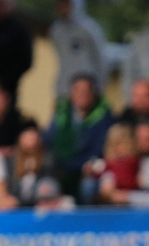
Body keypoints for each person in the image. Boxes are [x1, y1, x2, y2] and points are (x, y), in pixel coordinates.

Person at [44, 74, 114, 203]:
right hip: (62, 168)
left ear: (94, 93)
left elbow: (100, 148)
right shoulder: (61, 116)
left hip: (89, 170)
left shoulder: (104, 118)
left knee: (88, 187)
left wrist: (86, 165)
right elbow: (49, 141)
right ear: (71, 94)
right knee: (47, 187)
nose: (82, 95)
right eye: (78, 90)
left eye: (86, 91)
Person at [50, 0, 108, 99]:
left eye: (67, 3)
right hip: (64, 91)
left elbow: (102, 58)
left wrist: (99, 86)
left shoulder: (89, 28)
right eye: (60, 3)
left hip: (87, 91)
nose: (63, 6)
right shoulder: (56, 30)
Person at [101, 120, 149, 207]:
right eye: (139, 138)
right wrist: (108, 179)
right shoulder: (134, 158)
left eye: (147, 139)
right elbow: (112, 170)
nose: (142, 143)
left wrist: (128, 197)